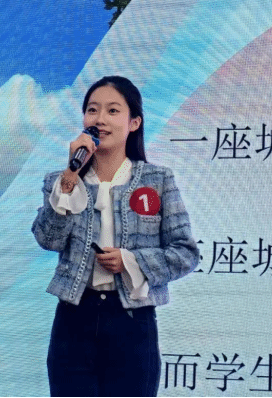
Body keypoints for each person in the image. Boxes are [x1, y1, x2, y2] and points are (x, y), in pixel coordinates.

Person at [31, 76, 200, 397]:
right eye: (92, 110)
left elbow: (185, 254)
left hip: (133, 323)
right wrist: (70, 177)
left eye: (112, 110)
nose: (100, 119)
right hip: (73, 321)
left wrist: (131, 261)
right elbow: (48, 239)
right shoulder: (61, 180)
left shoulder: (158, 180)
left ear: (134, 122)